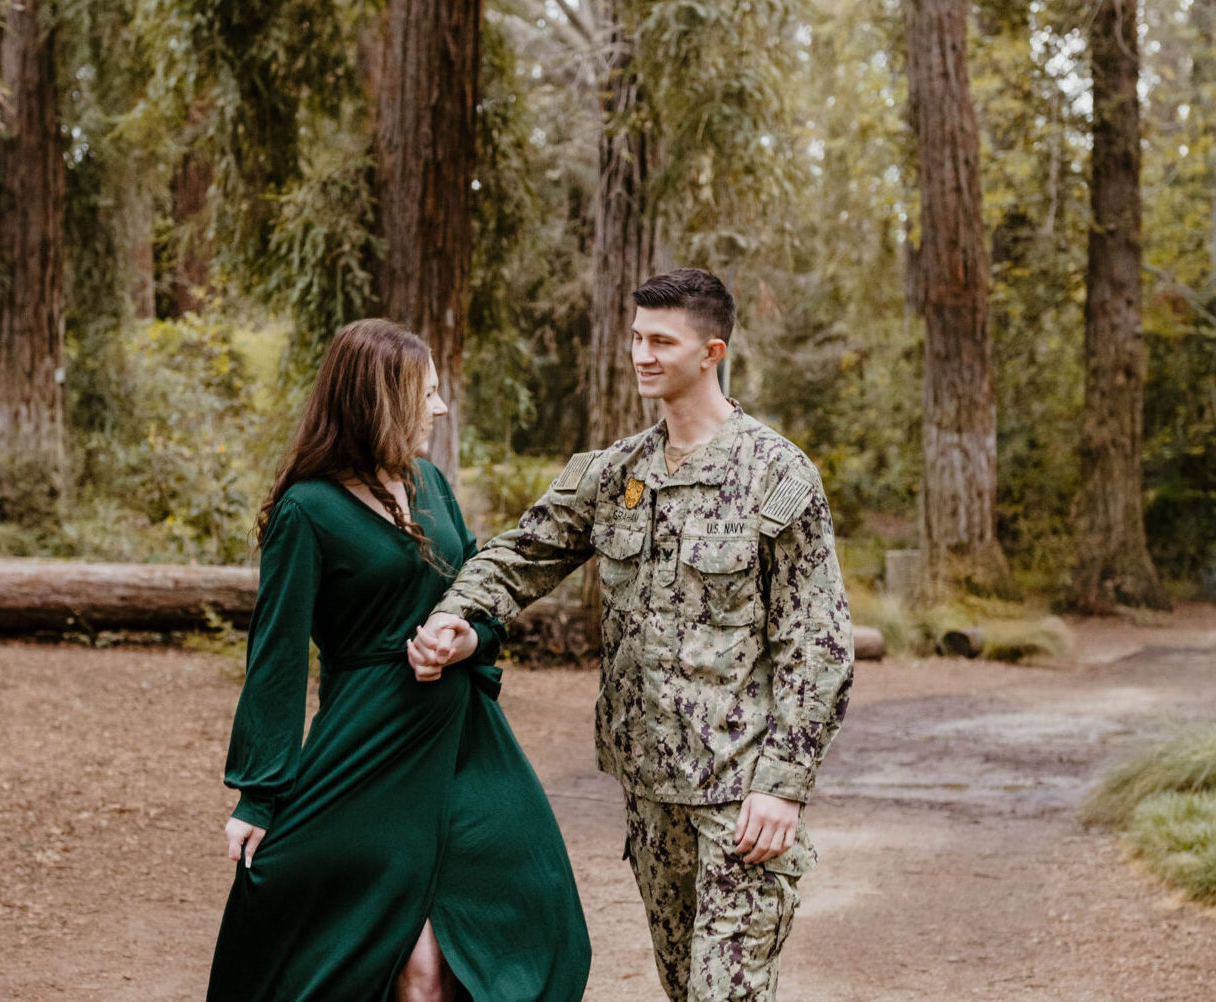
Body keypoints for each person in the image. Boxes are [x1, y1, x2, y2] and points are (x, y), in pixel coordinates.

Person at [408, 269, 853, 1002]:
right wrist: (458, 615)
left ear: (711, 351)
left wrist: (781, 786)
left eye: (660, 341)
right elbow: (523, 552)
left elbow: (820, 646)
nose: (641, 354)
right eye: (636, 338)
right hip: (648, 797)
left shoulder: (775, 476)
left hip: (736, 798)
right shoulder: (615, 473)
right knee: (685, 990)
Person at [206, 319, 590, 1002]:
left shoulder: (431, 485)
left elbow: (483, 599)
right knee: (417, 973)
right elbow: (275, 655)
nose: (438, 409)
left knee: (532, 904)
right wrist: (258, 794)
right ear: (377, 399)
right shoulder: (307, 510)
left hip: (465, 739)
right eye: (427, 393)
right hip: (368, 747)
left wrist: (468, 640)